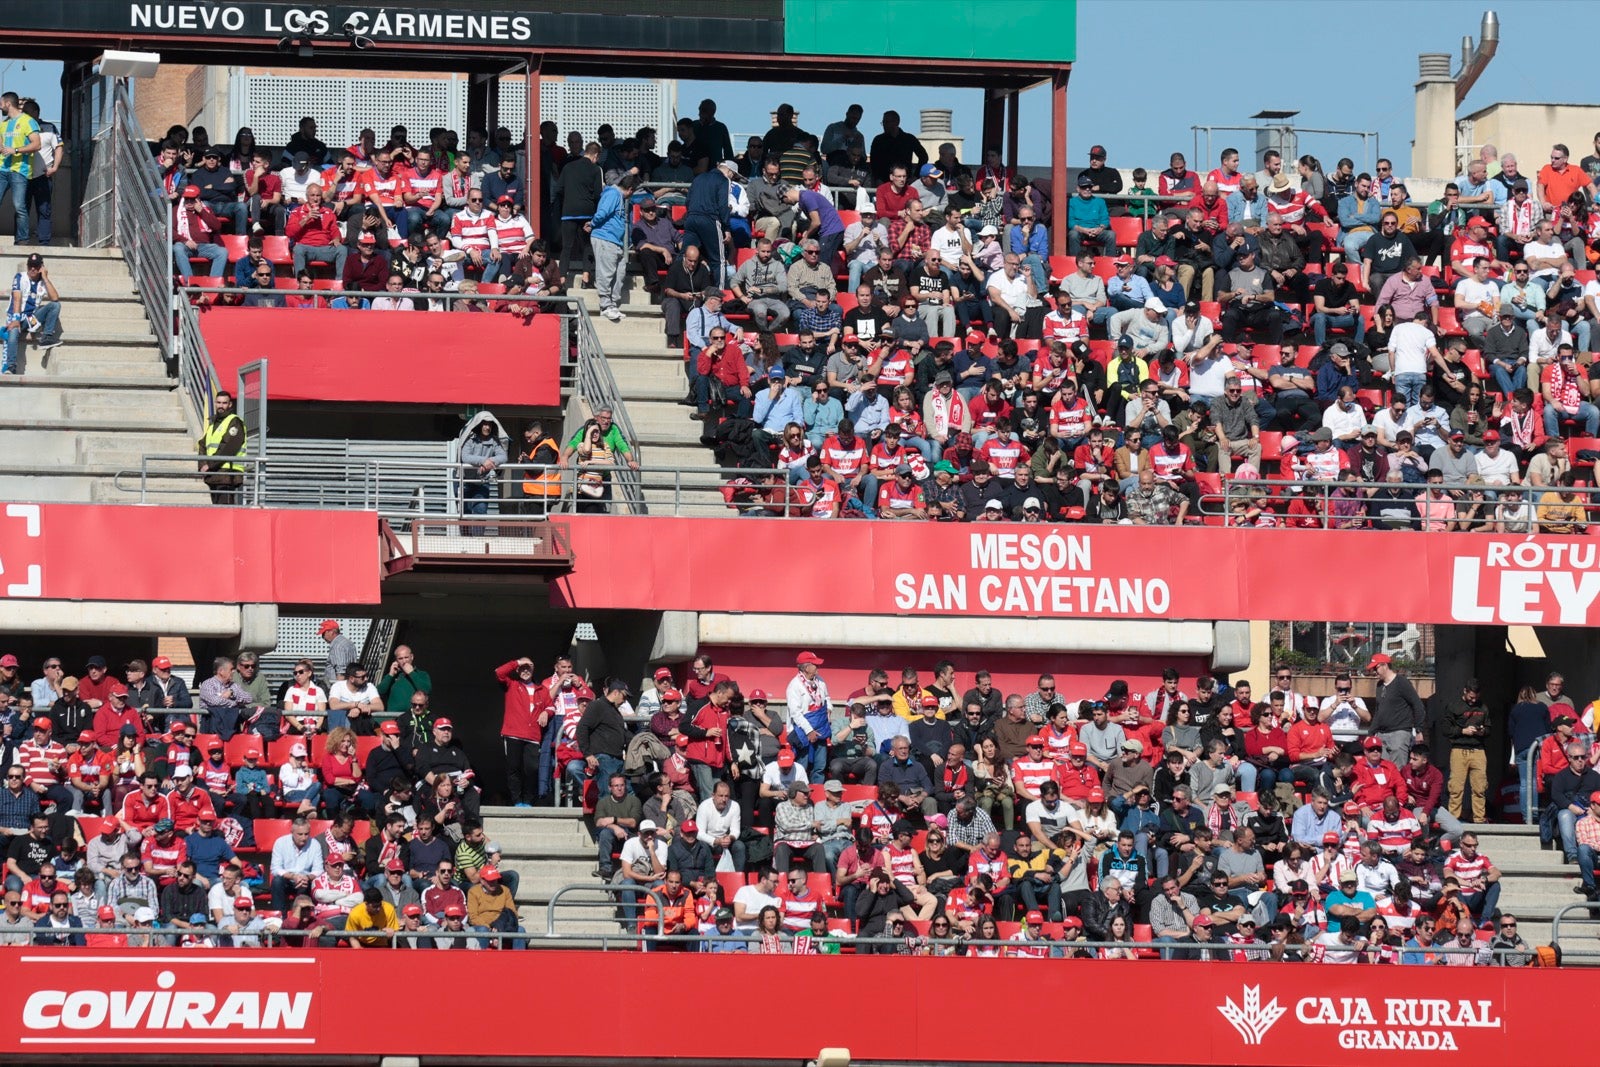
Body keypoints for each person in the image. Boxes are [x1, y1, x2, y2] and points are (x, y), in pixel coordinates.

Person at [3, 253, 61, 374]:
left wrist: (45, 277)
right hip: (17, 316)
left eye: (36, 266)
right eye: (30, 266)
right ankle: (11, 365)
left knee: (55, 305)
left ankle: (46, 337)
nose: (32, 269)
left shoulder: (42, 282)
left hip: (32, 318)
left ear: (41, 267)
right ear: (27, 266)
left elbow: (55, 298)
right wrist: (16, 319)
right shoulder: (20, 277)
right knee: (13, 333)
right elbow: (17, 298)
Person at [196, 390, 247, 505]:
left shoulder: (235, 422)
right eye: (218, 402)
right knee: (218, 511)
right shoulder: (213, 424)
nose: (221, 406)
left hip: (227, 474)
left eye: (224, 403)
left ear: (230, 405)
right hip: (214, 474)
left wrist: (209, 465)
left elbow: (229, 448)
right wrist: (202, 465)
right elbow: (203, 445)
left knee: (226, 511)